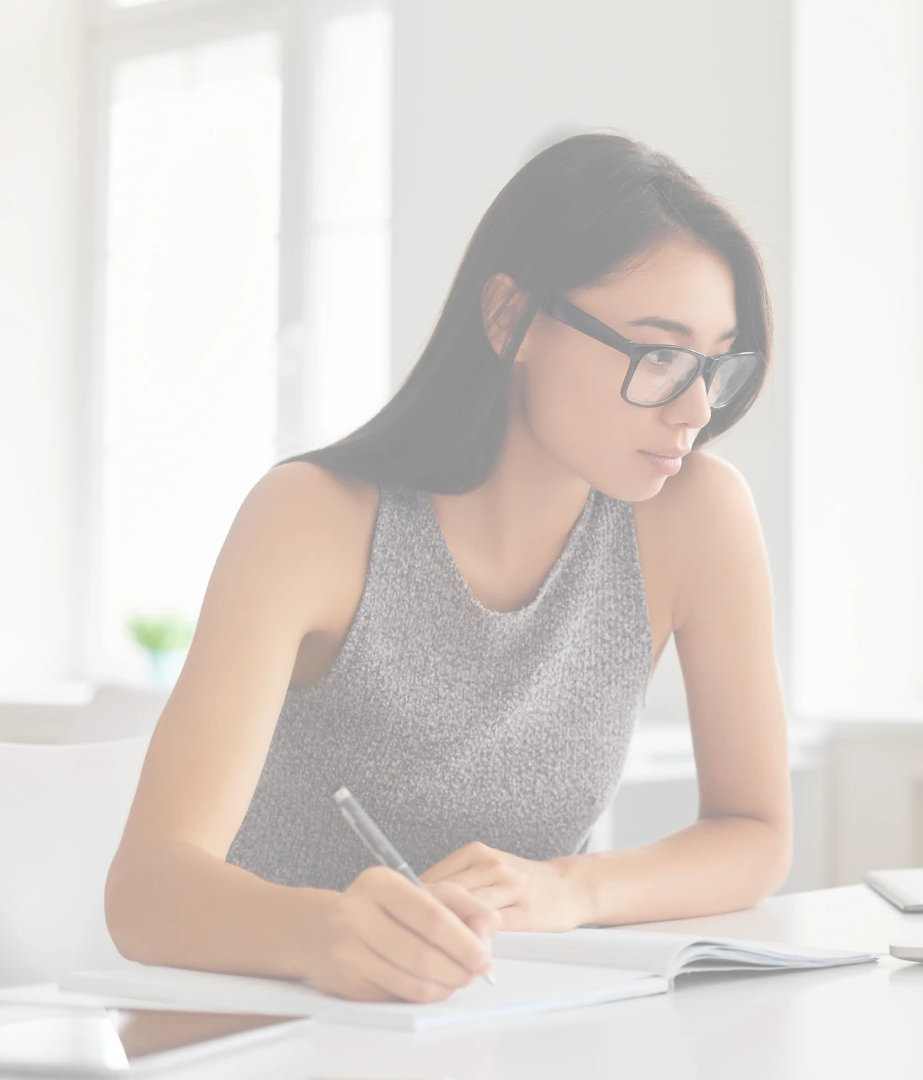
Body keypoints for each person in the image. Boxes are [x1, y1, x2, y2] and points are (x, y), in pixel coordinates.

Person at [104, 134, 790, 1004]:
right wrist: (320, 934)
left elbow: (755, 832)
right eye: (658, 355)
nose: (695, 409)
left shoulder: (697, 517)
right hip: (271, 1027)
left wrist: (571, 889)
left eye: (715, 364)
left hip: (500, 1024)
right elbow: (146, 892)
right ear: (510, 318)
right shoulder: (312, 518)